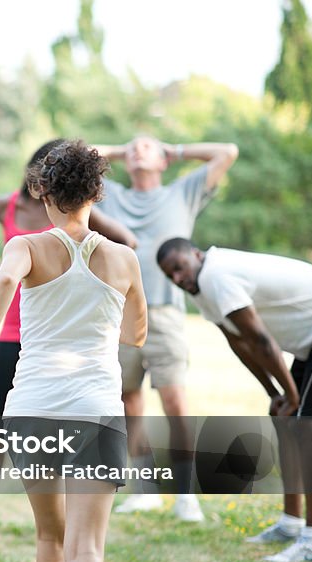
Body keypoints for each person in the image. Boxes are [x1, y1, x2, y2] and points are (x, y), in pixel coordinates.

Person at [0, 140, 146, 562]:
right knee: (87, 548)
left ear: (41, 190)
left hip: (33, 407)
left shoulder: (26, 246)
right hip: (96, 408)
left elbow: (0, 283)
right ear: (96, 193)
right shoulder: (123, 257)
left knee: (50, 538)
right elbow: (136, 335)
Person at [0, 139, 137, 539]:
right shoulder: (6, 208)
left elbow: (126, 243)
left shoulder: (76, 216)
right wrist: (2, 268)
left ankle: (70, 514)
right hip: (13, 331)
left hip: (60, 339)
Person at [157, 238, 312, 562]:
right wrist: (275, 394)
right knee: (286, 419)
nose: (176, 278)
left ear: (196, 255)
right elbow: (240, 343)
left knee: (306, 427)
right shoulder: (202, 290)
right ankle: (291, 523)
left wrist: (292, 395)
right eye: (169, 275)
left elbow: (261, 339)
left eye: (179, 268)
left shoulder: (216, 275)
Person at [92, 135, 239, 522]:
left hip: (166, 315)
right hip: (117, 314)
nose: (139, 149)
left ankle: (186, 493)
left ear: (163, 160)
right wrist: (122, 151)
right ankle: (145, 489)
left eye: (148, 147)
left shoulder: (182, 192)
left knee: (175, 403)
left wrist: (174, 151)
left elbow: (227, 151)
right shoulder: (112, 194)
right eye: (132, 146)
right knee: (128, 402)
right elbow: (77, 155)